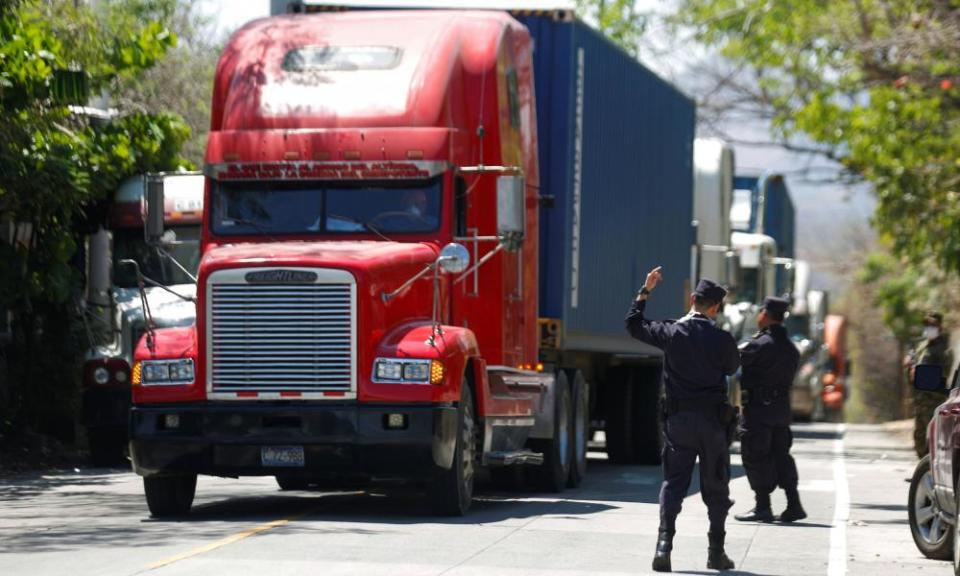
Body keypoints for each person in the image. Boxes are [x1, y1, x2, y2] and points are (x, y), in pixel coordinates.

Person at [626, 267, 740, 573]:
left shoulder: (671, 332)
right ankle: (716, 552)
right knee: (716, 486)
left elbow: (634, 325)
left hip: (679, 422)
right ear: (715, 308)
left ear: (692, 299)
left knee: (674, 483)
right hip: (713, 423)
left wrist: (646, 289)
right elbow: (731, 368)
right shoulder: (722, 339)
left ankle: (664, 546)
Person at [734, 297, 804, 524]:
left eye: (760, 311)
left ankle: (763, 506)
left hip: (758, 411)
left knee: (756, 456)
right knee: (781, 456)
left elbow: (732, 364)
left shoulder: (758, 345)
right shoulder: (791, 348)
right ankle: (794, 504)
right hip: (781, 411)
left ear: (765, 314)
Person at [906, 311, 953, 457]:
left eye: (932, 325)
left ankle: (930, 468)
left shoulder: (944, 349)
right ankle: (922, 469)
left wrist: (919, 372)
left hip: (934, 398)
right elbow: (913, 361)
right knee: (919, 435)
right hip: (920, 398)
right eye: (926, 325)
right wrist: (910, 365)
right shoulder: (922, 346)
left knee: (933, 435)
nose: (928, 329)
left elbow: (944, 372)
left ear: (939, 327)